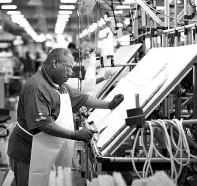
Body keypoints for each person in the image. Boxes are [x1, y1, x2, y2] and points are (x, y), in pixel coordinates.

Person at [7, 48, 124, 186]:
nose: (71, 72)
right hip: (27, 152)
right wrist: (75, 135)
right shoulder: (37, 87)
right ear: (56, 63)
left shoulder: (59, 85)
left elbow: (82, 98)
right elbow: (43, 124)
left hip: (43, 149)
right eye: (68, 68)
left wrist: (109, 105)